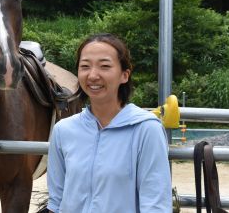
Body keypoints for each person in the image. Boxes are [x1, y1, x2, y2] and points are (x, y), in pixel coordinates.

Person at [46, 33, 172, 212]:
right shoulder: (63, 130)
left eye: (105, 66)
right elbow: (56, 202)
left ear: (124, 75)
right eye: (85, 66)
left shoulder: (146, 129)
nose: (93, 75)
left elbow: (156, 205)